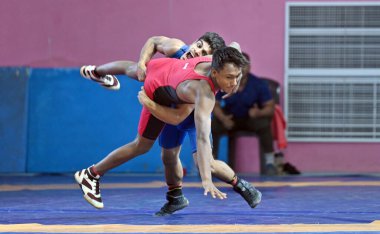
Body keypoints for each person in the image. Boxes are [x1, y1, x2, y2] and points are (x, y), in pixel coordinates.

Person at [75, 47, 262, 214]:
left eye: (237, 76)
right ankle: (91, 174)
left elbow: (235, 46)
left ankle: (96, 71)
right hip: (157, 94)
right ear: (214, 72)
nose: (234, 82)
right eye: (229, 78)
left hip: (163, 67)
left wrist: (235, 80)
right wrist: (206, 179)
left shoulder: (216, 58)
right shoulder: (203, 93)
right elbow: (200, 137)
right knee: (142, 146)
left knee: (130, 69)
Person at [211, 52, 277, 176]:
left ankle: (270, 163)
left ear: (250, 66)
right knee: (213, 124)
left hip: (250, 118)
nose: (242, 68)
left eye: (245, 65)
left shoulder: (258, 84)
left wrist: (259, 113)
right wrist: (223, 118)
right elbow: (215, 103)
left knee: (264, 123)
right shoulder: (225, 81)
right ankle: (210, 163)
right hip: (230, 119)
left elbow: (270, 108)